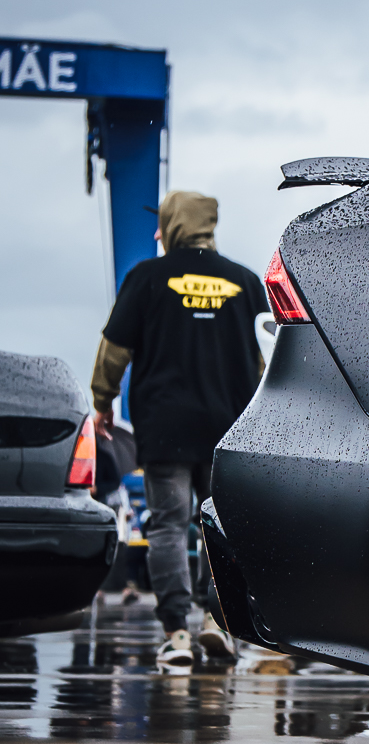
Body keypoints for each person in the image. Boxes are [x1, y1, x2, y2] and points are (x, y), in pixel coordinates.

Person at [91, 190, 269, 672]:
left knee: (168, 525)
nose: (156, 232)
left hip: (165, 428)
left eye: (161, 223)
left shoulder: (148, 277)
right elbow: (264, 361)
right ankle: (217, 623)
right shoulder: (245, 282)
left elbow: (113, 349)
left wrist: (102, 402)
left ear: (174, 224)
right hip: (227, 430)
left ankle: (177, 636)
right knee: (220, 528)